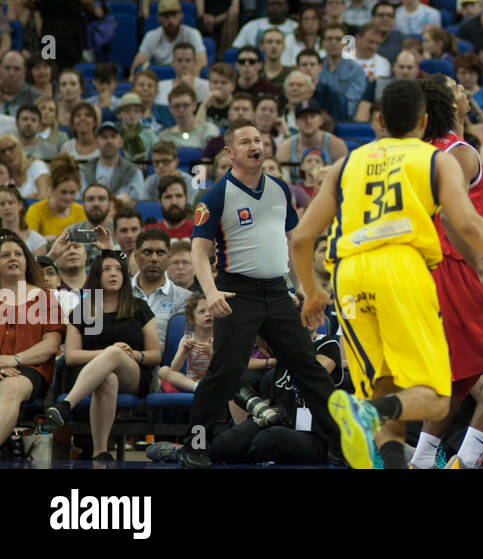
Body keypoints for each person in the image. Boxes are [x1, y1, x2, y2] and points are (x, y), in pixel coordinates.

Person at [292, 81, 483, 470]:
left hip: (348, 275)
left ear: (378, 121)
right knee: (437, 390)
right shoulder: (437, 158)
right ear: (425, 117)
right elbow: (465, 222)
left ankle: (409, 458)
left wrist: (311, 292)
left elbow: (301, 237)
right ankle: (378, 419)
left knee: (396, 380)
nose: (461, 90)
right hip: (409, 268)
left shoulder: (350, 161)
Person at [176, 121, 340, 469]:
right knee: (224, 372)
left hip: (278, 291)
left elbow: (296, 243)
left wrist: (306, 289)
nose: (255, 146)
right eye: (246, 141)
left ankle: (342, 446)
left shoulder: (281, 189)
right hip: (238, 291)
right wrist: (211, 291)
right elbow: (198, 251)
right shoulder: (215, 195)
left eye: (259, 140)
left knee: (308, 369)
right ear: (230, 152)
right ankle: (194, 446)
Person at [408, 75, 483, 470]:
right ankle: (467, 456)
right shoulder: (460, 154)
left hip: (434, 268)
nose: (465, 90)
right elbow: (451, 219)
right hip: (462, 268)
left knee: (458, 373)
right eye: (456, 88)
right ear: (448, 105)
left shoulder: (428, 150)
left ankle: (425, 457)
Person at [45, 248, 161, 464]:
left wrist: (130, 354)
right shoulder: (82, 311)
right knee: (107, 378)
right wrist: (107, 354)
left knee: (116, 355)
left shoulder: (139, 308)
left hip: (133, 374)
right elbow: (71, 356)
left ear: (125, 276)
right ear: (96, 275)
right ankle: (100, 451)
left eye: (118, 269)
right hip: (88, 376)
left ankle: (66, 405)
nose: (113, 273)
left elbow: (155, 355)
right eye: (106, 269)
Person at [0, 233, 64, 445]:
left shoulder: (45, 297)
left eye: (18, 254)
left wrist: (13, 359)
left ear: (27, 260)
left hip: (31, 368)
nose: (13, 258)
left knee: (10, 388)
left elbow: (51, 345)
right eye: (5, 255)